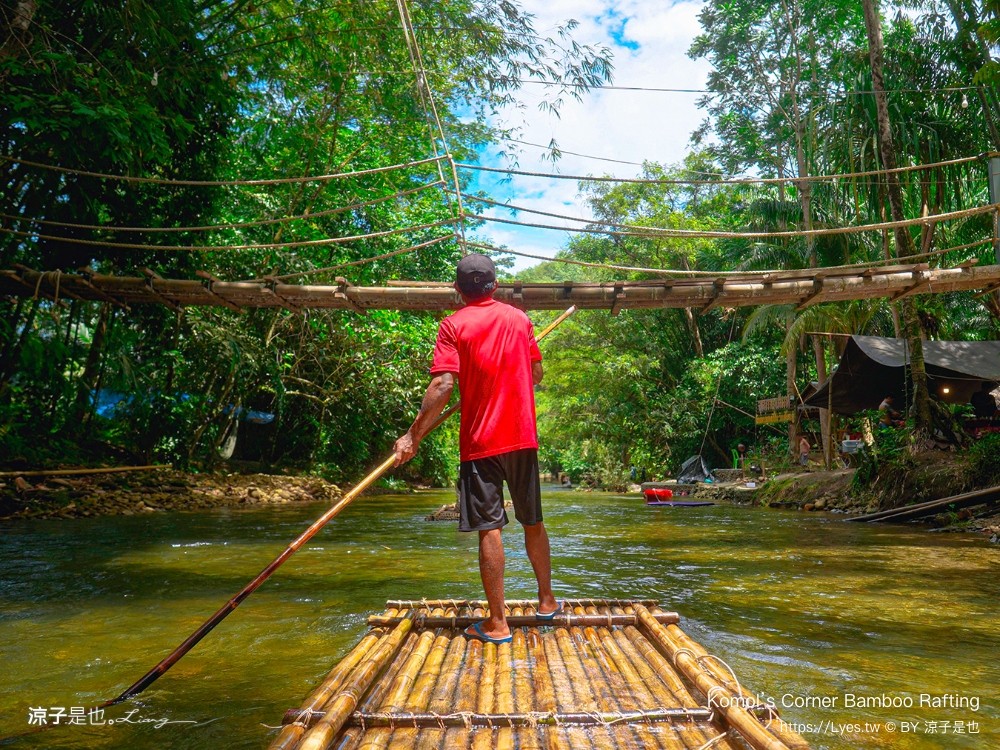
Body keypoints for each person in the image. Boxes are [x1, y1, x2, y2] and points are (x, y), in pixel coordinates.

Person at [393, 254, 560, 644]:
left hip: (481, 442)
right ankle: (547, 601)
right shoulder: (520, 320)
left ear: (457, 290)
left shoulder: (452, 325)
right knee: (532, 520)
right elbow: (536, 374)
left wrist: (412, 435)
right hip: (522, 437)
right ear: (495, 285)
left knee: (490, 528)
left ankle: (498, 624)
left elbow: (442, 386)